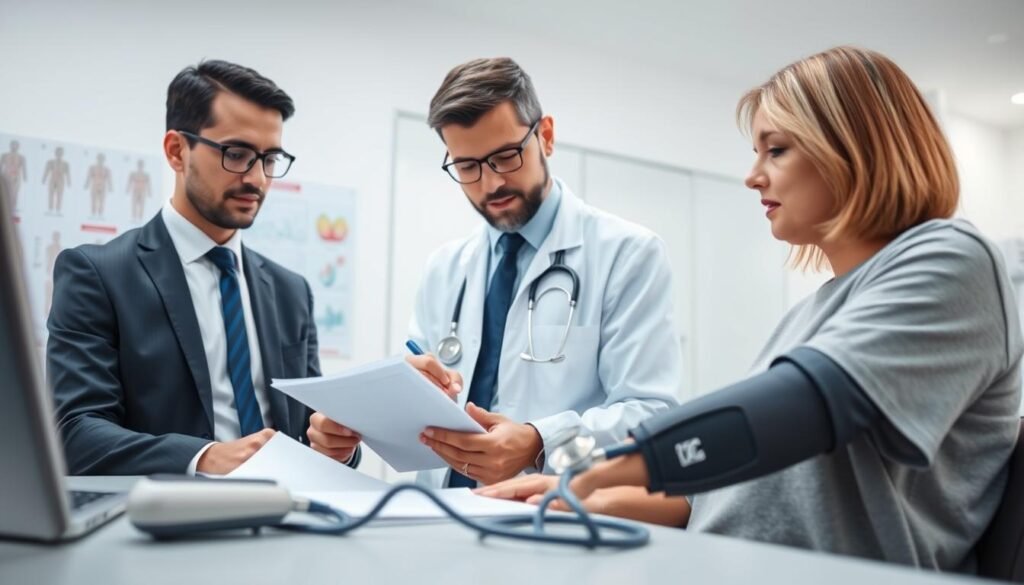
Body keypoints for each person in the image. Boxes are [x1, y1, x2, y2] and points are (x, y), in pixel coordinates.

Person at [478, 46, 1022, 573]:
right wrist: (580, 497)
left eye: (777, 149)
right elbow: (735, 497)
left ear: (856, 149)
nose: (753, 175)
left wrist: (602, 468)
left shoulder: (954, 259)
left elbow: (803, 407)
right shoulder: (815, 311)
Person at [309, 57, 682, 488]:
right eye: (467, 167)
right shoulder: (446, 268)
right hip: (438, 516)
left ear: (545, 136)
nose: (490, 185)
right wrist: (350, 435)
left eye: (505, 157)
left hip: (550, 518)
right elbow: (418, 417)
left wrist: (540, 442)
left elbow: (651, 412)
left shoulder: (627, 254)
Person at [47, 59, 361, 475]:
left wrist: (337, 446)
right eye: (237, 154)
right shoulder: (98, 274)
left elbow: (310, 428)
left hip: (285, 518)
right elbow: (75, 434)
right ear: (177, 151)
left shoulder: (291, 291)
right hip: (163, 522)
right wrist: (204, 458)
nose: (258, 179)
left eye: (270, 159)